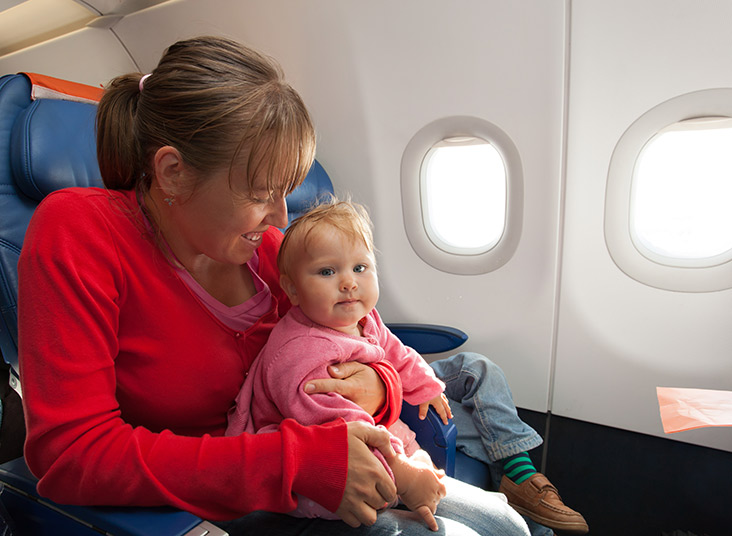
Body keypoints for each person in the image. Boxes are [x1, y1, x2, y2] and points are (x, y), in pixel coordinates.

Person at [17, 35, 530, 535]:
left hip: (315, 464)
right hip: (204, 497)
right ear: (172, 172)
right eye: (262, 193)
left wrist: (383, 386)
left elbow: (349, 345)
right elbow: (70, 455)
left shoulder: (268, 256)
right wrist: (296, 463)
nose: (281, 216)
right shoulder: (80, 232)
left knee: (505, 523)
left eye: (285, 192)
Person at [226, 198, 458, 530]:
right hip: (313, 456)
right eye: (327, 271)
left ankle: (407, 474)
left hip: (368, 430)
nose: (348, 282)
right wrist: (402, 473)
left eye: (360, 268)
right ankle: (396, 487)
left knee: (414, 452)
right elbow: (336, 428)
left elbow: (395, 351)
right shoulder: (299, 352)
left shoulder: (364, 318)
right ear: (292, 288)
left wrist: (427, 388)